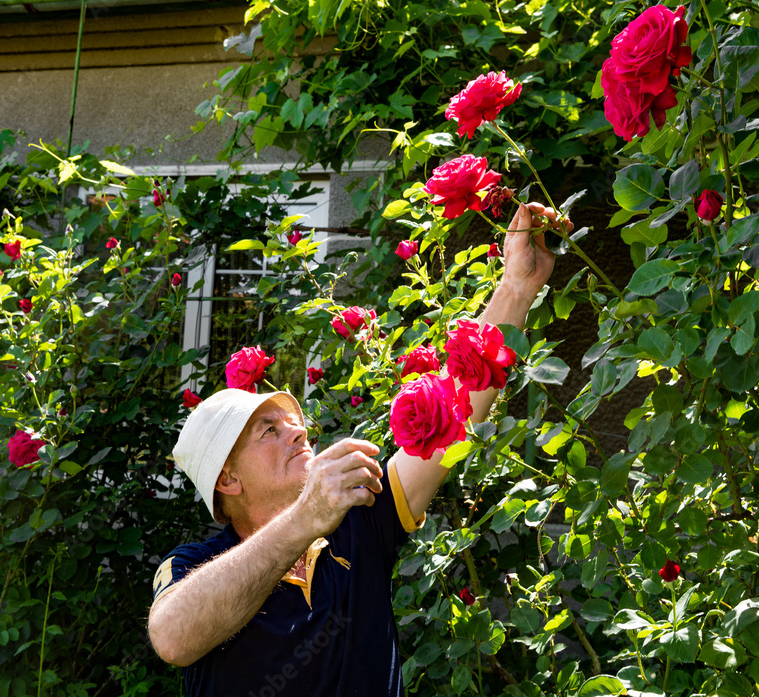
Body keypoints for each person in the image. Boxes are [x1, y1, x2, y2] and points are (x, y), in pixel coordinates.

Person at [147, 203, 570, 696]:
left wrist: (517, 286)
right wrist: (305, 518)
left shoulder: (361, 518)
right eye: (268, 431)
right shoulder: (194, 565)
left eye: (293, 422)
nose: (299, 433)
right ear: (228, 480)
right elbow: (173, 638)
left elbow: (454, 410)